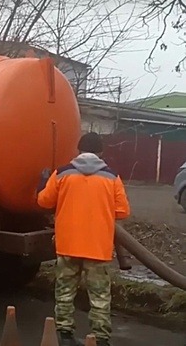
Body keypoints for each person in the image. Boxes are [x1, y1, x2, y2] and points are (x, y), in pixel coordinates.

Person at [37, 132, 130, 346]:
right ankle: (100, 340)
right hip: (98, 248)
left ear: (78, 150)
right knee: (99, 298)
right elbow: (123, 211)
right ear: (100, 152)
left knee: (65, 292)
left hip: (68, 245)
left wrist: (42, 182)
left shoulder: (62, 174)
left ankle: (65, 336)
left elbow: (43, 201)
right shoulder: (111, 177)